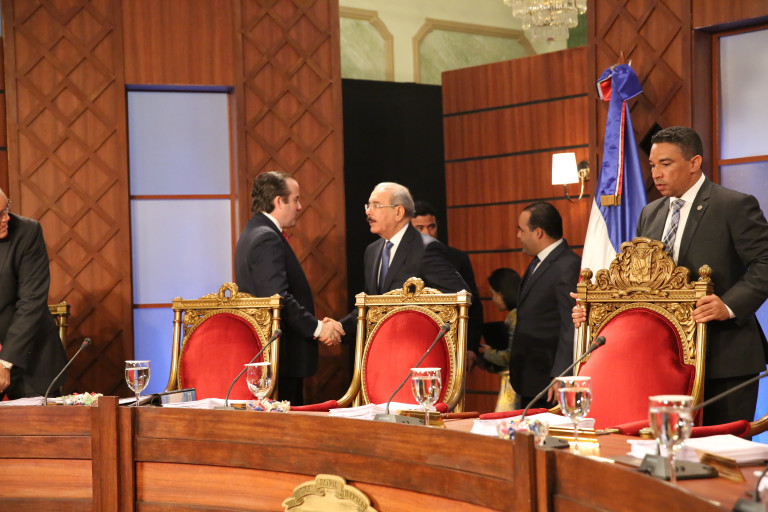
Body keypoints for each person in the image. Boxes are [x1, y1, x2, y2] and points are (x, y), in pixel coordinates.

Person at [573, 126, 768, 425]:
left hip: (724, 358)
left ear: (694, 163)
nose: (656, 173)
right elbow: (638, 284)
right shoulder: (649, 213)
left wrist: (728, 305)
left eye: (665, 164)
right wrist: (595, 306)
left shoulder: (733, 205)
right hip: (662, 362)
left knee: (719, 447)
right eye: (653, 165)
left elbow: (765, 262)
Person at [234, 171, 344, 405]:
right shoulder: (266, 237)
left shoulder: (254, 231)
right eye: (296, 199)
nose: (300, 206)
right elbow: (278, 298)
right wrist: (318, 328)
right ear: (278, 201)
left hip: (276, 356)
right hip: (280, 357)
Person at [511, 202, 580, 409]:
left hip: (549, 382)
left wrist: (562, 373)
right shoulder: (539, 262)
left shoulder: (567, 265)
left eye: (521, 230)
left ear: (538, 232)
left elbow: (571, 323)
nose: (518, 236)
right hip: (530, 376)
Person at [0, 188, 67, 399]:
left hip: (30, 361)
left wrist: (5, 362)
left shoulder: (27, 232)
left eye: (6, 209)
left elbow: (31, 301)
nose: (6, 218)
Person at [411, 200, 484, 365]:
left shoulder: (457, 258)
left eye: (431, 226)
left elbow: (474, 305)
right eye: (419, 228)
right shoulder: (401, 260)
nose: (427, 233)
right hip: (414, 340)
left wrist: (471, 347)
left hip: (452, 340)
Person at [479, 268, 521, 411]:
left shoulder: (515, 316)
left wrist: (487, 352)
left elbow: (509, 357)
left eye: (493, 294)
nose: (492, 299)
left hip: (514, 384)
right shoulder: (521, 313)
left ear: (502, 293)